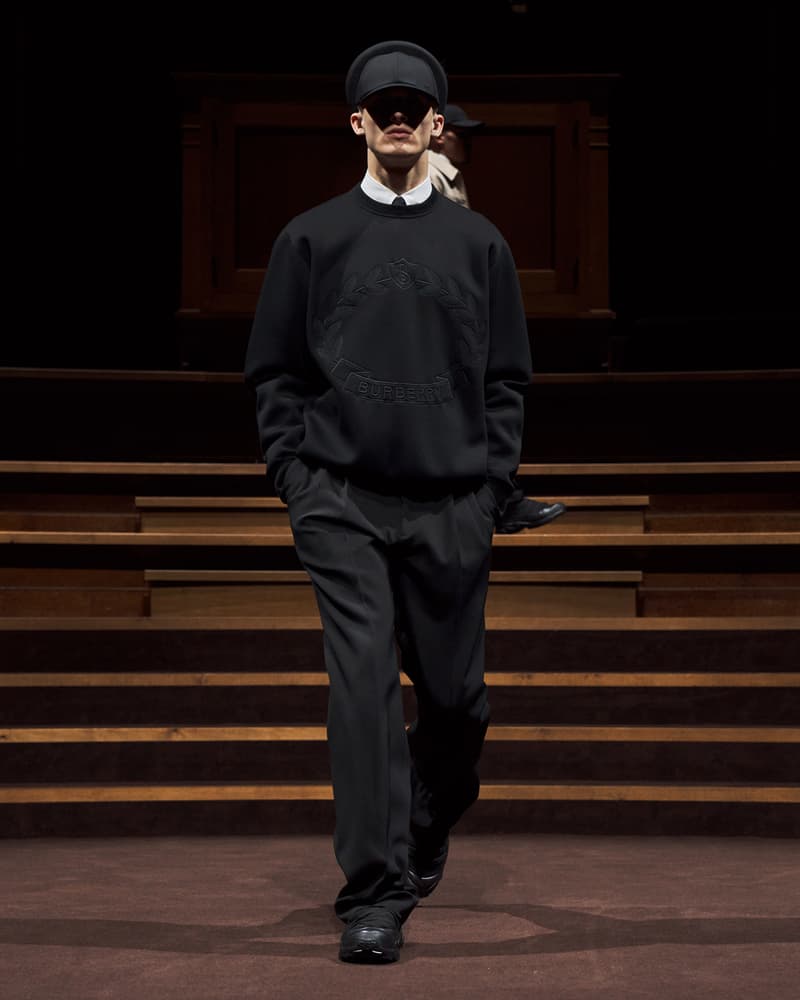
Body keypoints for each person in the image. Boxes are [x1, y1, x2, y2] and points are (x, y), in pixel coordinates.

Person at [244, 40, 532, 964]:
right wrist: (296, 478)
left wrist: (489, 486)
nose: (399, 118)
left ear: (436, 123)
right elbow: (275, 372)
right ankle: (374, 894)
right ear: (359, 122)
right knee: (362, 688)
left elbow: (507, 379)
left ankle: (430, 810)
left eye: (414, 106)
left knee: (457, 703)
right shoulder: (311, 237)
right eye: (384, 106)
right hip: (342, 499)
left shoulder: (480, 245)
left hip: (451, 502)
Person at [429, 105, 566, 531]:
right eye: (461, 134)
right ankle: (494, 503)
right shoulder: (430, 175)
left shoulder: (448, 175)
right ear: (439, 134)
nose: (468, 142)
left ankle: (496, 500)